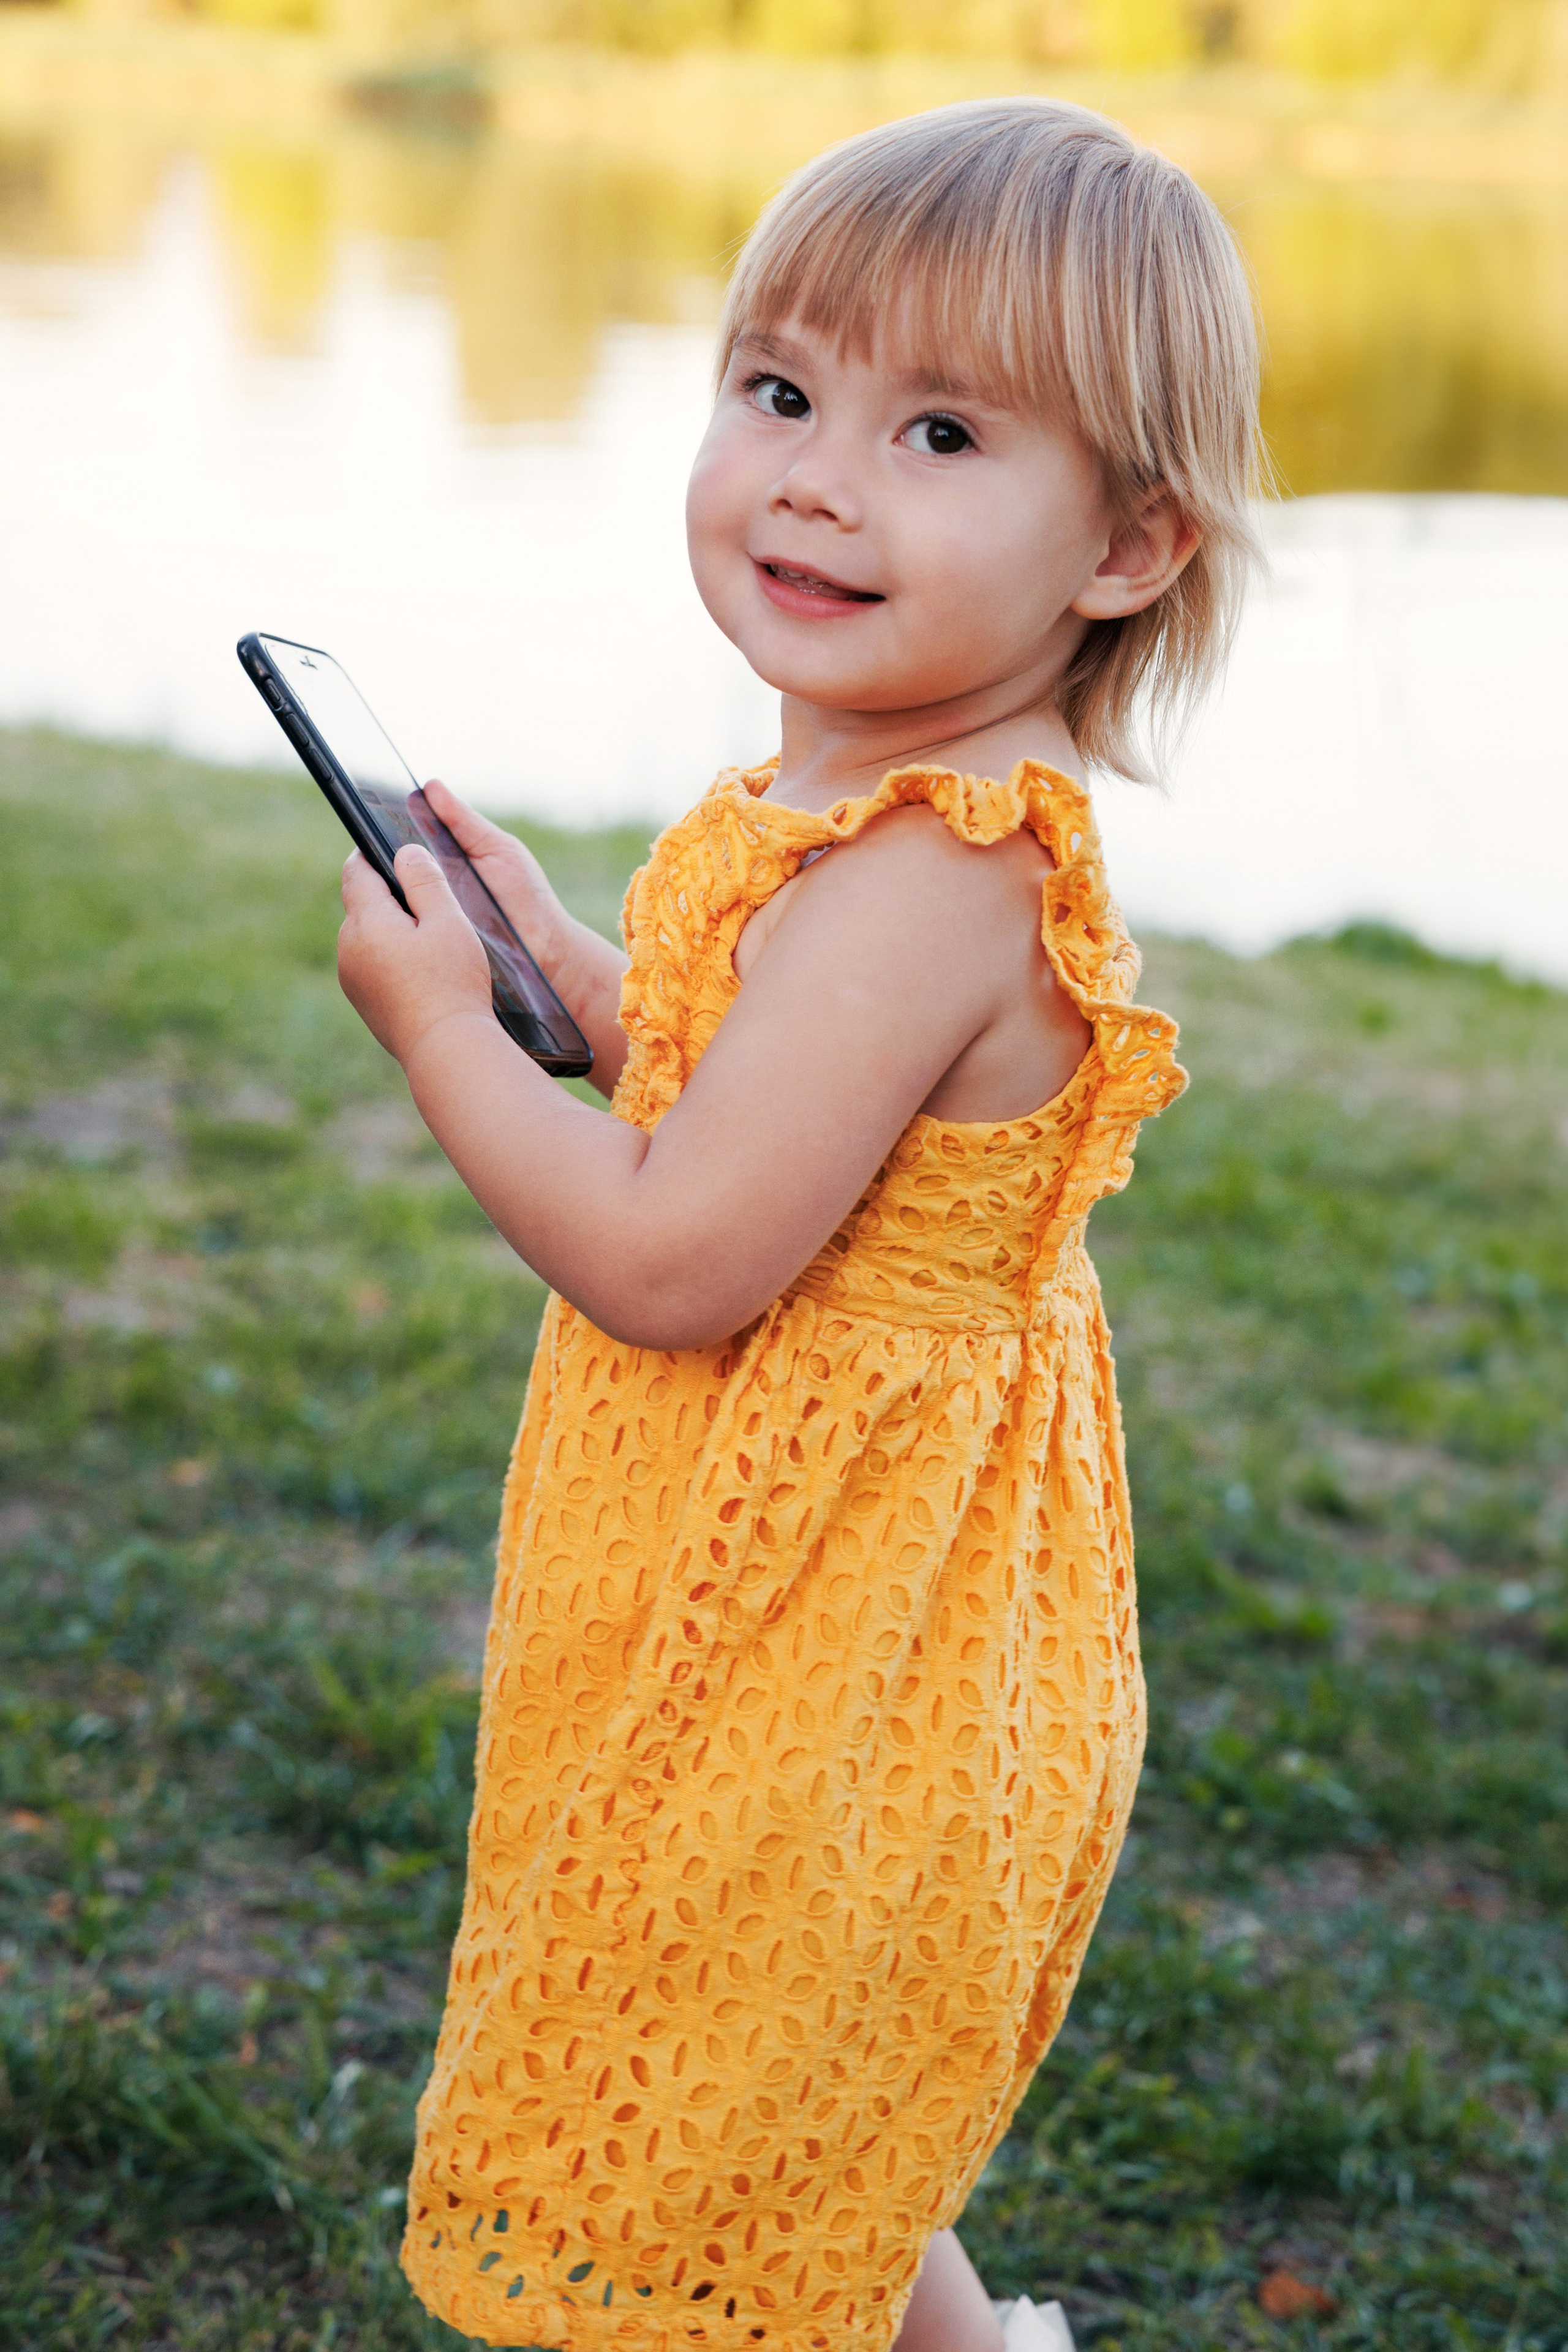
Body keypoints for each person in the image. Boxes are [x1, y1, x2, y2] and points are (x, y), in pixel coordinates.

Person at [336, 96, 1262, 2352]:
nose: (818, 477)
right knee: (781, 2131)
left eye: (939, 430)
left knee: (722, 2137)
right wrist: (572, 986)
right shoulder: (849, 802)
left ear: (1128, 547)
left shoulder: (940, 862)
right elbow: (768, 1118)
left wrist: (442, 1036)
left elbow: (672, 1257)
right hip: (802, 1606)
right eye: (779, 391)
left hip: (844, 1663)